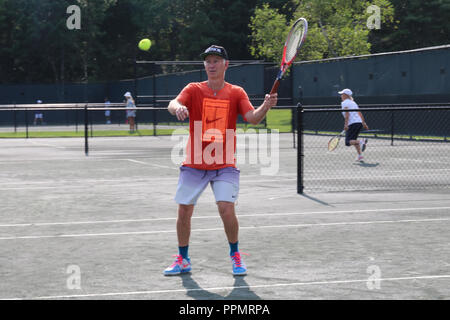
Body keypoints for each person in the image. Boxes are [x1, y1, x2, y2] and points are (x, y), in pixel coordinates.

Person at [164, 45, 277, 276]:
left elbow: (252, 118)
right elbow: (172, 103)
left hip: (224, 163)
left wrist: (265, 106)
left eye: (216, 60)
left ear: (226, 64)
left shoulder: (236, 92)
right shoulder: (193, 89)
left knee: (226, 208)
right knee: (184, 211)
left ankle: (235, 254)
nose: (211, 65)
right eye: (208, 61)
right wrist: (179, 108)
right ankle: (183, 259)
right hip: (194, 162)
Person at [338, 88, 369, 161]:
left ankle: (362, 141)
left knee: (348, 142)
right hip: (359, 123)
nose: (341, 96)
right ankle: (360, 156)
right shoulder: (353, 103)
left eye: (342, 94)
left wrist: (346, 125)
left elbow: (347, 113)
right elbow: (359, 113)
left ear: (346, 95)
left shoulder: (344, 103)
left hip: (352, 124)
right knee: (353, 140)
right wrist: (364, 123)